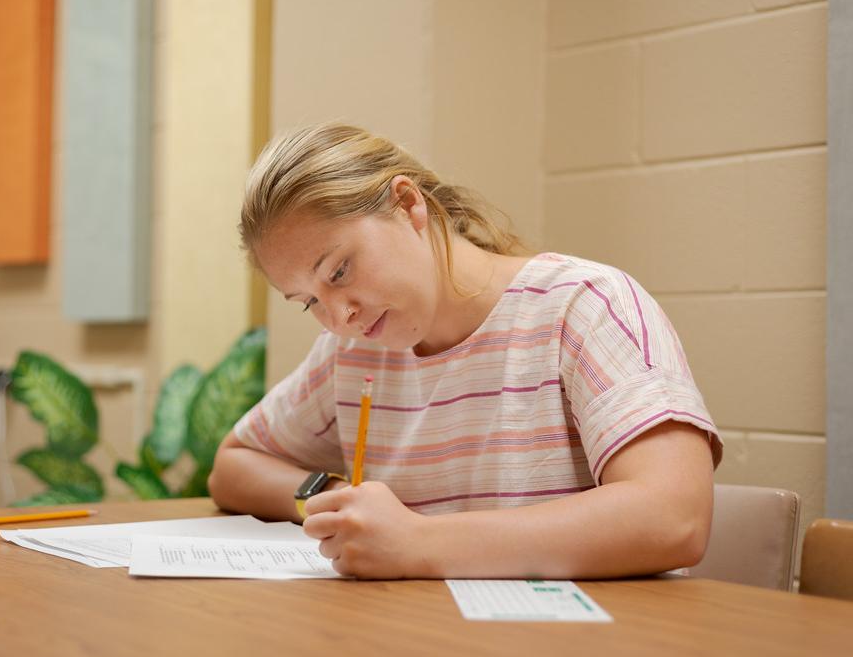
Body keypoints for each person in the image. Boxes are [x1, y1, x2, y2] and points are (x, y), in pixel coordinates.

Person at [208, 123, 723, 580]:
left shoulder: (583, 306)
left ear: (409, 205)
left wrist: (415, 543)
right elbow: (233, 466)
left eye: (340, 271)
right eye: (309, 302)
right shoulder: (353, 352)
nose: (340, 317)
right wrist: (334, 499)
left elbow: (673, 517)